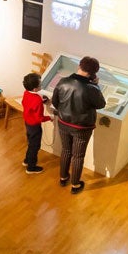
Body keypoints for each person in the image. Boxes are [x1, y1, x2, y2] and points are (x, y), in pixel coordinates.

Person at [50, 56, 106, 194]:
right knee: (78, 156)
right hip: (82, 128)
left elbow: (56, 102)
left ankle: (63, 178)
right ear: (93, 73)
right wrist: (96, 85)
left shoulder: (63, 81)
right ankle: (75, 185)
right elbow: (101, 104)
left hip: (63, 123)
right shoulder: (92, 88)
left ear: (79, 66)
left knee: (66, 150)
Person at [21, 72, 51, 174]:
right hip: (35, 126)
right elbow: (39, 118)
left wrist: (41, 101)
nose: (41, 85)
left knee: (31, 143)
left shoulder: (26, 93)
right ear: (35, 89)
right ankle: (31, 168)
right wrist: (49, 117)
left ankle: (26, 160)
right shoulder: (37, 99)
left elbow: (29, 105)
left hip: (28, 123)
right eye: (40, 84)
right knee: (35, 146)